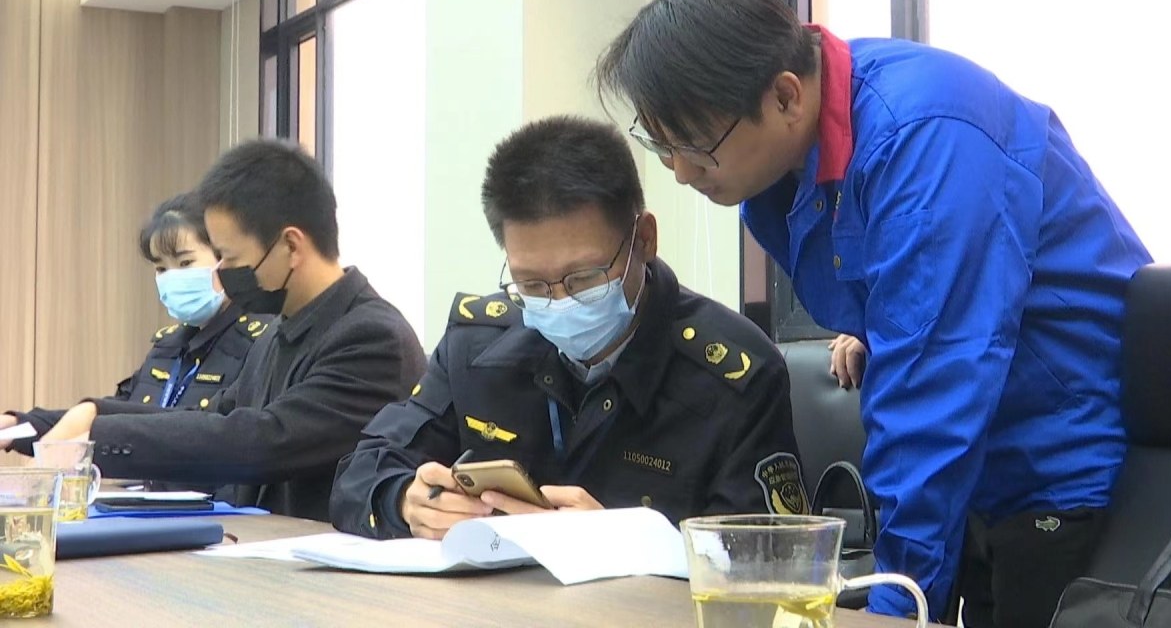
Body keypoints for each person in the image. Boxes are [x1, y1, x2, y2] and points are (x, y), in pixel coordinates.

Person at [596, 0, 1153, 626]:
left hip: (1059, 457)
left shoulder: (923, 134)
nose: (683, 173)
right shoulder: (794, 163)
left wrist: (888, 610)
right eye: (664, 147)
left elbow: (935, 382)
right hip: (976, 465)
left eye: (697, 147)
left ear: (785, 96)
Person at [330, 116, 803, 540]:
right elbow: (360, 472)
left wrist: (632, 547)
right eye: (531, 284)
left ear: (643, 240)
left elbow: (771, 557)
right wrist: (402, 501)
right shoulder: (476, 346)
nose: (559, 302)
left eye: (584, 278)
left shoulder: (737, 376)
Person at [39, 140, 427, 521]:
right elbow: (209, 416)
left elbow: (263, 441)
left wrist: (97, 436)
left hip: (329, 560)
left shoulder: (373, 338)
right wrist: (72, 418)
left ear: (291, 246)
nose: (220, 274)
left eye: (229, 257)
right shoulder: (277, 334)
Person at [0, 193, 272, 456]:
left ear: (225, 259)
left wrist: (93, 418)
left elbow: (211, 428)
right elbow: (121, 412)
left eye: (185, 262)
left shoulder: (260, 342)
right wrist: (19, 426)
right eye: (161, 269)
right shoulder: (168, 346)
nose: (172, 277)